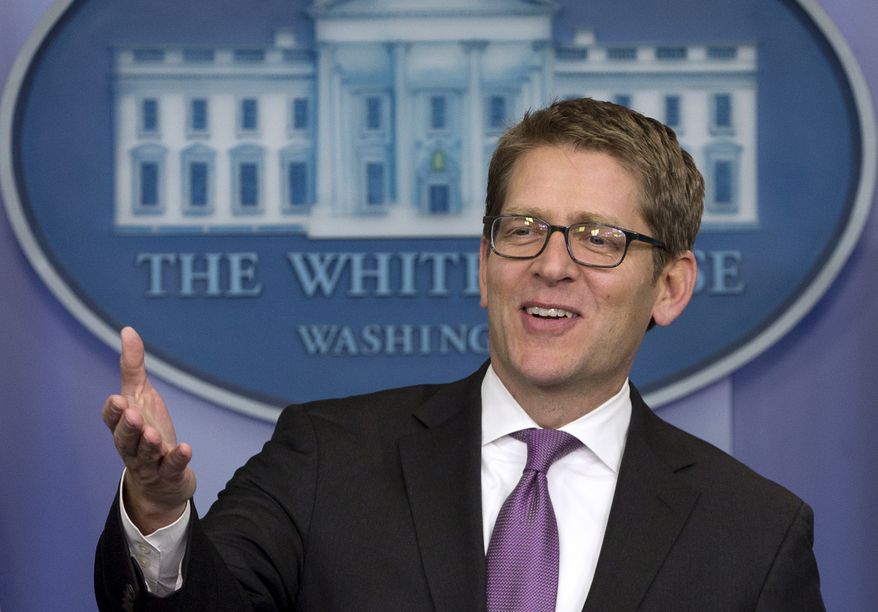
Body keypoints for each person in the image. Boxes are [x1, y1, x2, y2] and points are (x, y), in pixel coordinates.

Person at [95, 98, 824, 611]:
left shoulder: (755, 534)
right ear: (485, 265)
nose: (551, 264)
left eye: (598, 238)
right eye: (524, 228)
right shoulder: (324, 458)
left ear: (670, 286)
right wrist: (160, 516)